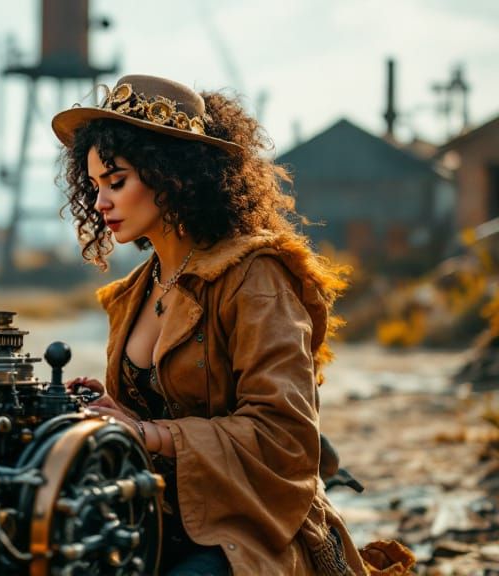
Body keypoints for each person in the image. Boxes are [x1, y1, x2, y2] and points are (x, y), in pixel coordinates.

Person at [52, 75, 370, 574]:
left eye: (116, 182)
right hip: (153, 519)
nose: (99, 204)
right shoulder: (135, 291)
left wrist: (149, 434)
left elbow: (285, 437)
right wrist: (112, 412)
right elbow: (157, 415)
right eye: (94, 186)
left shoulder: (255, 277)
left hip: (250, 529)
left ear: (172, 175)